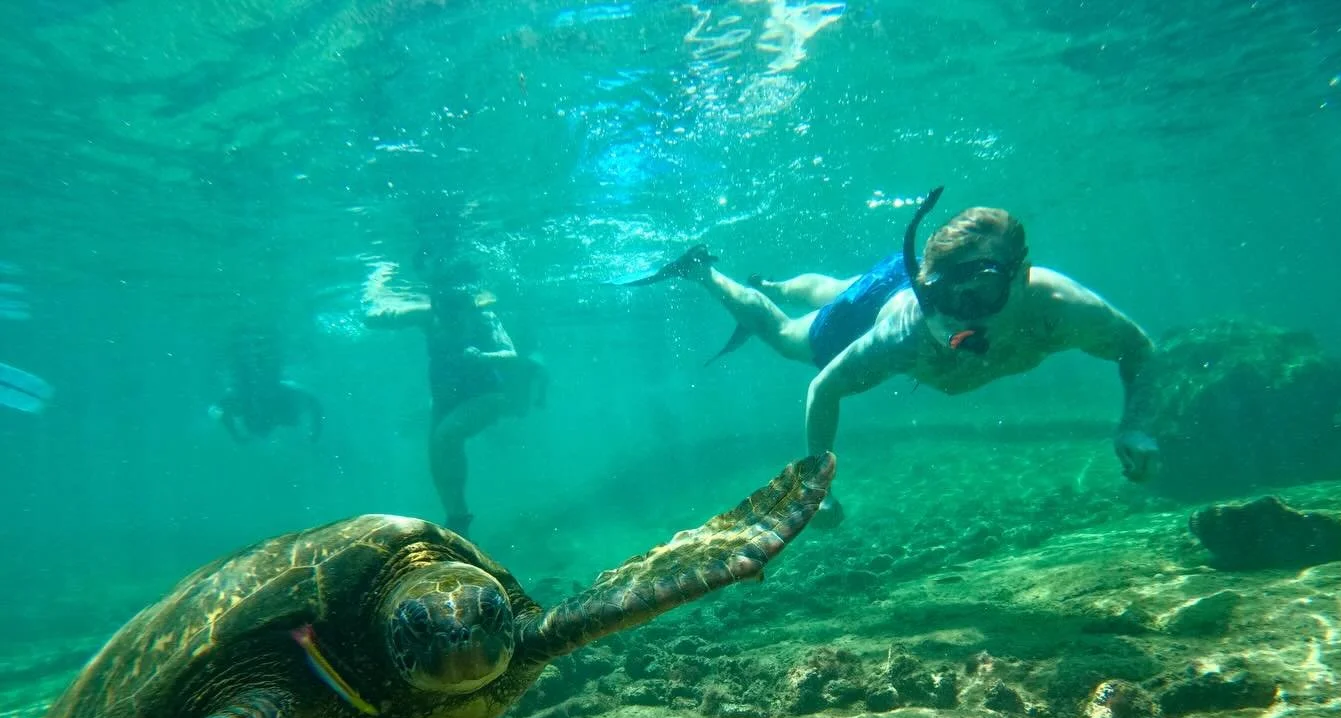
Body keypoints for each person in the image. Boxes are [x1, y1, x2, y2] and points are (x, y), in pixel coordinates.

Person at [627, 187, 1159, 525]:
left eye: (978, 294)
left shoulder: (1063, 308)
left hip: (896, 284)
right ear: (928, 284)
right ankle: (704, 271)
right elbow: (824, 388)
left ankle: (777, 280)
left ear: (1022, 276)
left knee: (840, 287)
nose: (956, 317)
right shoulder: (908, 329)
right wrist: (817, 487)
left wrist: (1136, 425)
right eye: (944, 297)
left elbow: (1138, 349)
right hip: (884, 300)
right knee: (790, 336)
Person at [364, 258, 548, 536]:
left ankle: (460, 520)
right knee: (436, 459)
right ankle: (458, 521)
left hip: (488, 396)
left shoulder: (484, 319)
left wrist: (484, 357)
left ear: (467, 303)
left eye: (455, 308)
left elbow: (509, 354)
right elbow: (372, 319)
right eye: (444, 307)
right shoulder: (428, 315)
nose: (450, 316)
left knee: (446, 437)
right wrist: (375, 286)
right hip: (444, 400)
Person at [210, 328, 323, 444]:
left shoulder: (241, 396)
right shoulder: (288, 399)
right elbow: (315, 404)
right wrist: (314, 434)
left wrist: (235, 435)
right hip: (271, 395)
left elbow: (315, 404)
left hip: (267, 393)